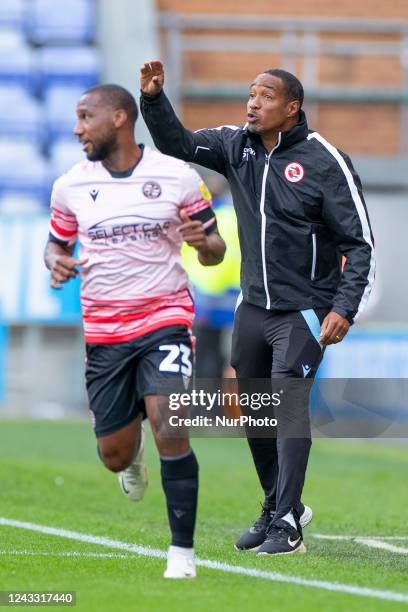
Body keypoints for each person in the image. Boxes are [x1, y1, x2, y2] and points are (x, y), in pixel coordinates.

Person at [139, 62, 375, 555]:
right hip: (254, 308)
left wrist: (344, 308)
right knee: (256, 411)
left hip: (306, 309)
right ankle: (275, 504)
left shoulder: (326, 160)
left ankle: (288, 525)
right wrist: (155, 101)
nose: (253, 103)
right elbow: (176, 143)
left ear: (292, 108)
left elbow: (361, 242)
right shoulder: (235, 145)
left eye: (266, 96)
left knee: (287, 405)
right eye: (250, 94)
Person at [43, 84, 226, 578]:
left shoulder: (176, 177)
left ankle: (182, 554)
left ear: (121, 118)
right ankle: (131, 454)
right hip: (105, 331)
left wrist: (202, 243)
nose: (77, 128)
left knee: (170, 422)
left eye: (86, 117)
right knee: (113, 454)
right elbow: (55, 245)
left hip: (164, 318)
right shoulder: (70, 186)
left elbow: (214, 247)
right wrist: (56, 262)